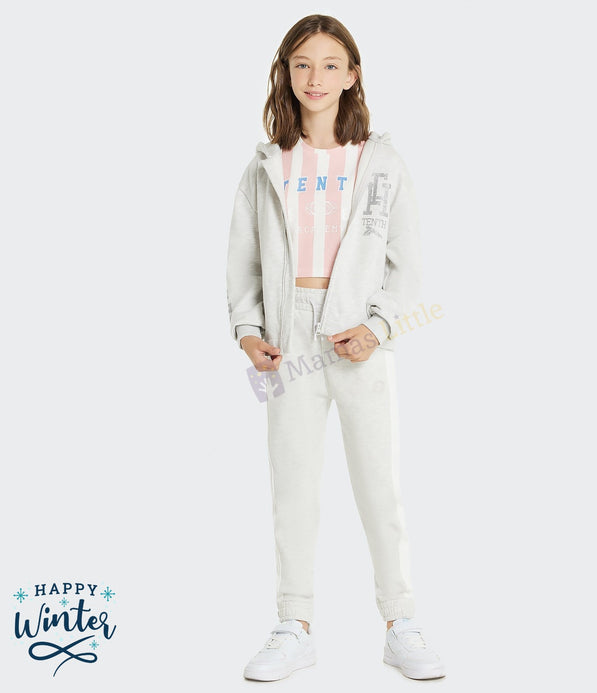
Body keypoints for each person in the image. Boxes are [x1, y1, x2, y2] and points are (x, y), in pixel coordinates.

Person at [226, 14, 446, 681]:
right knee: (292, 486)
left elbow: (407, 264)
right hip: (287, 339)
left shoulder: (380, 163)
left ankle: (400, 621)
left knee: (378, 484)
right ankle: (293, 624)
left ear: (351, 75)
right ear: (285, 73)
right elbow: (243, 262)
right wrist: (249, 331)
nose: (314, 77)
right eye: (301, 64)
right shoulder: (267, 164)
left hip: (359, 337)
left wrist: (378, 326)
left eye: (329, 64)